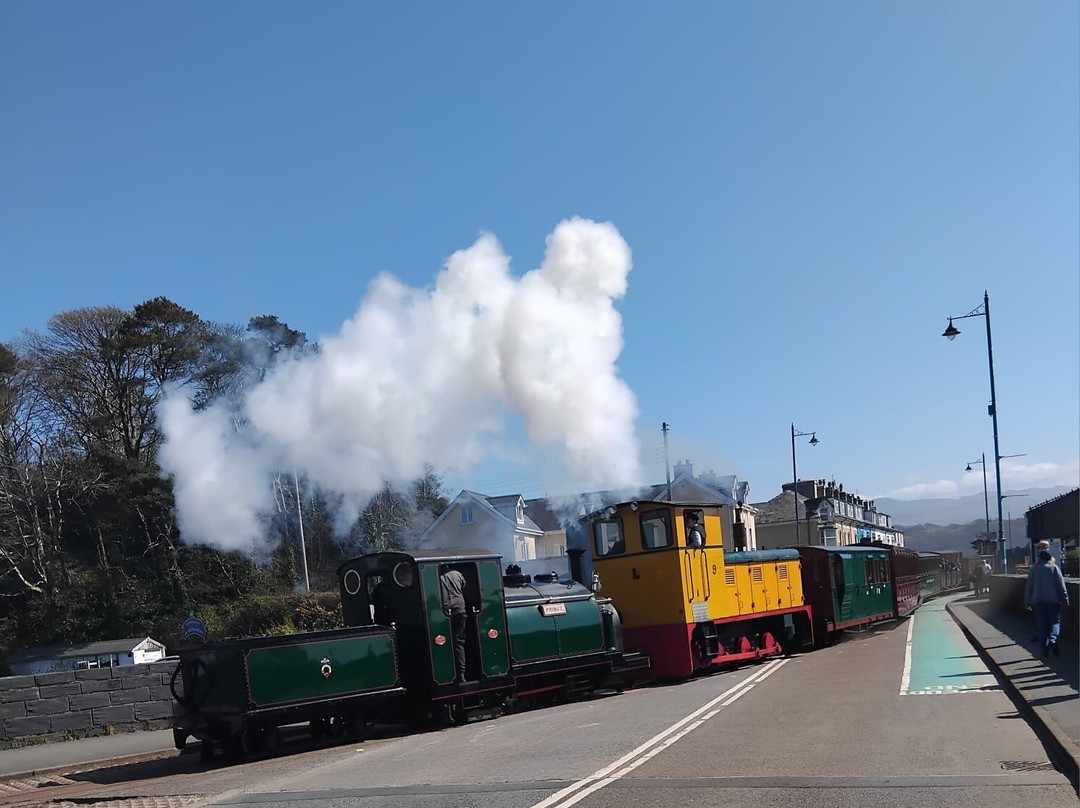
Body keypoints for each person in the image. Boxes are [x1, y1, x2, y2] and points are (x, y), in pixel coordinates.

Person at [1025, 549, 1069, 658]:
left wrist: (1027, 601)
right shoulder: (1054, 568)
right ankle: (1053, 640)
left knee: (1042, 627)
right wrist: (1065, 599)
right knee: (1055, 623)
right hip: (1053, 601)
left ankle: (1044, 653)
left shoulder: (1034, 570)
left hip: (1038, 601)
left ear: (1039, 559)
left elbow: (1029, 587)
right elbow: (1061, 585)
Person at [439, 567, 469, 683]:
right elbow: (464, 586)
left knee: (450, 643)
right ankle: (461, 674)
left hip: (446, 612)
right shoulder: (458, 573)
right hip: (460, 610)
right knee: (459, 643)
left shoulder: (439, 577)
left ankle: (453, 674)